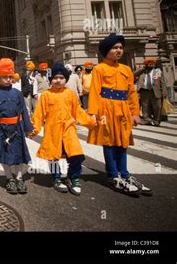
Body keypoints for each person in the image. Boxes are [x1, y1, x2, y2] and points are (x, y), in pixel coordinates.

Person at [87, 33, 152, 196]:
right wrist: (93, 114)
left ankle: (125, 174)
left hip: (123, 110)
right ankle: (113, 176)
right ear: (106, 50)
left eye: (121, 48)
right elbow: (95, 92)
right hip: (106, 109)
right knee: (109, 142)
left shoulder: (126, 69)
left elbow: (131, 92)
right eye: (115, 48)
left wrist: (135, 112)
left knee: (123, 142)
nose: (119, 51)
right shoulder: (99, 69)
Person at [31, 63, 96, 196]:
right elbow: (38, 114)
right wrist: (35, 129)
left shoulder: (70, 94)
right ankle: (57, 178)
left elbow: (78, 111)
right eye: (55, 78)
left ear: (66, 79)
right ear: (51, 80)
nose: (58, 80)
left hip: (68, 129)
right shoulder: (46, 95)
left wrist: (90, 122)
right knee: (53, 156)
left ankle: (74, 177)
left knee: (76, 154)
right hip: (52, 130)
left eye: (61, 77)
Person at [0, 58, 33, 194]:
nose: (8, 79)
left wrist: (28, 128)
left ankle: (19, 178)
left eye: (10, 77)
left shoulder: (17, 93)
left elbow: (24, 111)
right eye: (4, 77)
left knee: (19, 154)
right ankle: (9, 178)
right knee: (4, 154)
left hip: (17, 128)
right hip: (2, 129)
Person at [135, 58, 166, 126]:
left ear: (154, 64)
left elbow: (162, 82)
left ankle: (156, 120)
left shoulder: (157, 71)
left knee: (157, 106)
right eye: (148, 63)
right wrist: (142, 69)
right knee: (145, 106)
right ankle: (147, 119)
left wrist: (164, 92)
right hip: (144, 91)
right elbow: (134, 74)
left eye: (151, 63)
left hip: (155, 91)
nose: (150, 64)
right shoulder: (142, 71)